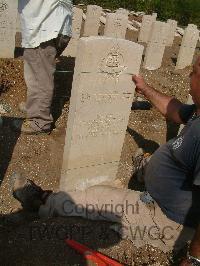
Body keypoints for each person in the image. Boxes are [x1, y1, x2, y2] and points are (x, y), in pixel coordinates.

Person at [12, 57, 200, 265]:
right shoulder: (198, 112)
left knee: (97, 196)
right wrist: (145, 88)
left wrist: (193, 259)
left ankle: (43, 202)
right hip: (171, 191)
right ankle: (146, 169)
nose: (188, 75)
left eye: (194, 71)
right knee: (158, 160)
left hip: (164, 216)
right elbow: (175, 111)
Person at [13, 0, 73, 134]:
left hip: (43, 24)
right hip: (57, 21)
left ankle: (39, 121)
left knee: (39, 77)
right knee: (40, 72)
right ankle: (34, 107)